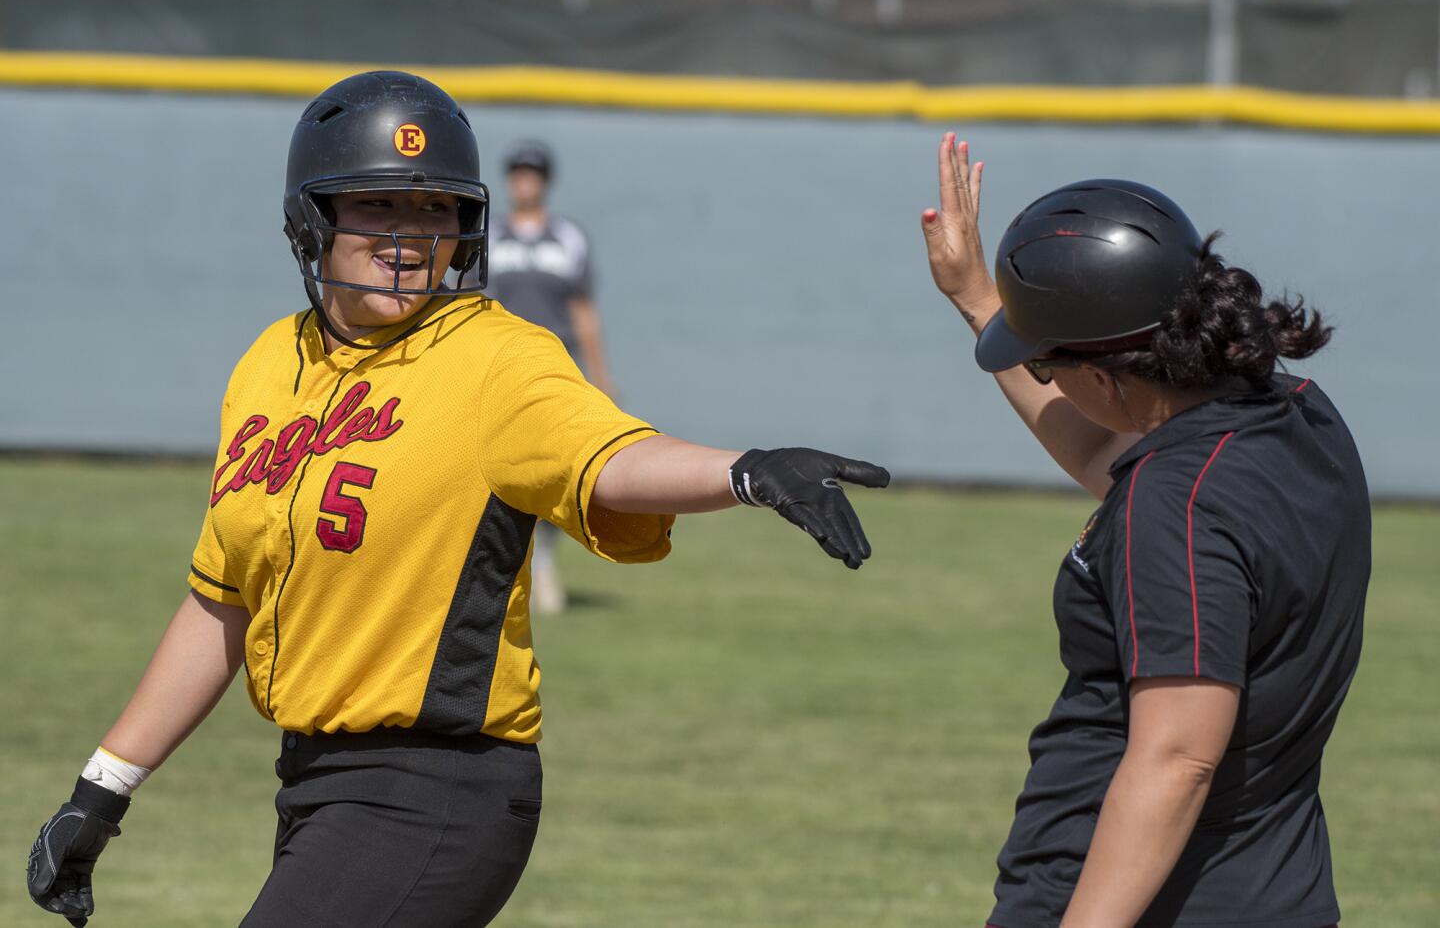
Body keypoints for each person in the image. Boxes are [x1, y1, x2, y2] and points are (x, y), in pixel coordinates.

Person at [26, 71, 889, 928]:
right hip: (314, 787)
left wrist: (745, 469)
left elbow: (612, 456)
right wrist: (102, 789)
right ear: (311, 220)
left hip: (438, 790)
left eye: (435, 209)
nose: (410, 235)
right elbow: (222, 599)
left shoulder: (495, 358)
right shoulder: (265, 365)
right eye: (378, 206)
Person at [920, 134, 1366, 928]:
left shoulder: (1178, 499)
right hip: (1278, 892)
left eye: (1048, 366)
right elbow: (1100, 448)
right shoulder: (1297, 418)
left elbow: (1178, 756)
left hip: (1139, 902)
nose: (1046, 380)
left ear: (1100, 375)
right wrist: (979, 300)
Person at [467, 140, 611, 614]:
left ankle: (543, 560)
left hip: (556, 372)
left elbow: (583, 311)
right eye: (518, 173)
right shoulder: (489, 236)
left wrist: (600, 376)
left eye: (534, 174)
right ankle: (504, 569)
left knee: (552, 470)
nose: (525, 181)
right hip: (497, 369)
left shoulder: (569, 238)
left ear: (545, 182)